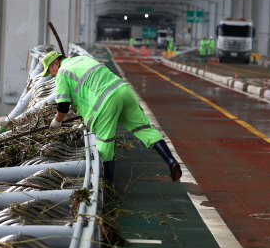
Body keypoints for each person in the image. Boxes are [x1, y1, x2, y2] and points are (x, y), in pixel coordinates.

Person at [41, 51, 182, 184]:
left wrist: (56, 121)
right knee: (145, 129)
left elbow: (63, 106)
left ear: (56, 63)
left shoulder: (61, 74)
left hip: (105, 102)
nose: (51, 76)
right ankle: (171, 161)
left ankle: (109, 186)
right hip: (123, 90)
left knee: (105, 144)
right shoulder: (82, 58)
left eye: (50, 71)